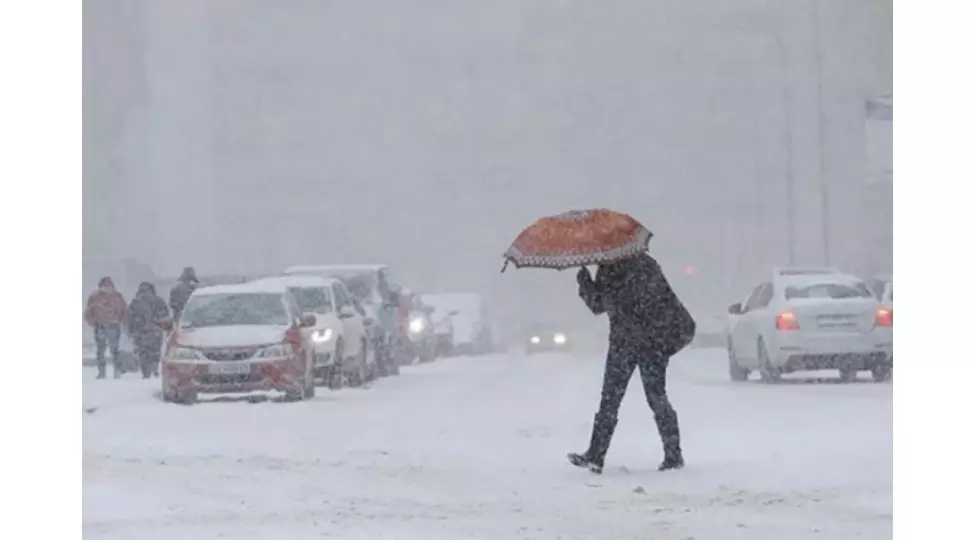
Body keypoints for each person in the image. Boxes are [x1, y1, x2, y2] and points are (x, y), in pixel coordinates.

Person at [568, 252, 696, 474]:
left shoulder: (611, 270)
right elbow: (660, 299)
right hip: (651, 341)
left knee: (611, 399)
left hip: (627, 342)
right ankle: (673, 455)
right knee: (656, 396)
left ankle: (596, 455)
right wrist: (589, 284)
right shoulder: (645, 264)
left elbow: (598, 305)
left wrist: (586, 285)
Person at [84, 277, 130, 379]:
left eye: (108, 286)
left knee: (114, 350)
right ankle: (102, 372)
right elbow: (88, 312)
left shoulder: (117, 297)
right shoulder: (95, 297)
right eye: (104, 286)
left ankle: (116, 371)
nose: (106, 288)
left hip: (113, 326)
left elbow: (125, 311)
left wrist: (121, 321)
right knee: (101, 350)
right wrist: (93, 322)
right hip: (100, 326)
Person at [127, 282, 171, 379]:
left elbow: (130, 317)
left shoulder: (135, 302)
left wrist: (131, 330)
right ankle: (154, 368)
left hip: (140, 331)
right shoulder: (159, 301)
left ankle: (145, 372)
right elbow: (165, 315)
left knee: (143, 352)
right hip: (155, 329)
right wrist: (166, 327)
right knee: (155, 350)